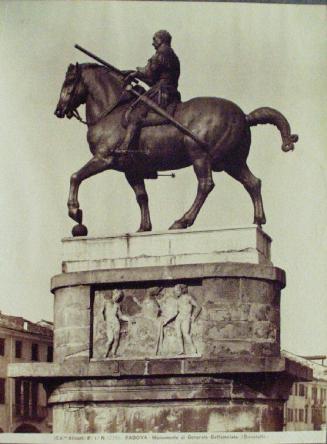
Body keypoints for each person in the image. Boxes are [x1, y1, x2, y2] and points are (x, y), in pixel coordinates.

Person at [117, 30, 181, 153]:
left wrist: (134, 73)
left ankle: (125, 146)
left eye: (154, 39)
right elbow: (152, 78)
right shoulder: (172, 55)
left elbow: (148, 72)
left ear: (161, 40)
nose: (153, 43)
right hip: (170, 90)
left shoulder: (162, 53)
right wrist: (132, 73)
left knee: (135, 113)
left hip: (161, 91)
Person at [174, 284, 201, 355]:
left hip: (186, 317)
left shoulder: (188, 297)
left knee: (186, 334)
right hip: (179, 317)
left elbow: (198, 307)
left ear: (181, 290)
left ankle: (193, 349)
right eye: (175, 291)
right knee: (178, 333)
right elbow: (176, 311)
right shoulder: (177, 300)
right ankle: (181, 350)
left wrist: (194, 316)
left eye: (177, 291)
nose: (175, 292)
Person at [103, 289, 129, 357]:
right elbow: (102, 313)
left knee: (116, 339)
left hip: (116, 324)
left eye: (119, 297)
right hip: (109, 324)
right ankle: (105, 353)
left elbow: (121, 316)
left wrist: (129, 319)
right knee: (110, 339)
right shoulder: (106, 303)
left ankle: (113, 353)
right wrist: (104, 320)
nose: (117, 297)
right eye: (116, 295)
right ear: (113, 294)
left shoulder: (117, 305)